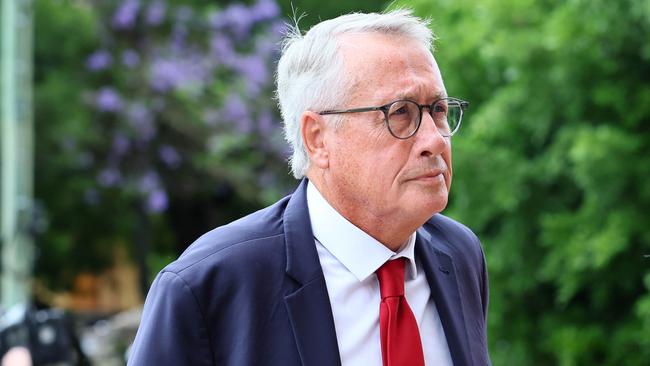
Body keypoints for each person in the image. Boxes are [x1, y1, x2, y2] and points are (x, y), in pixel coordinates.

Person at [128, 9, 490, 366]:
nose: (434, 139)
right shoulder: (209, 286)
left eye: (439, 110)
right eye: (400, 112)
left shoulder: (458, 254)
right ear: (317, 139)